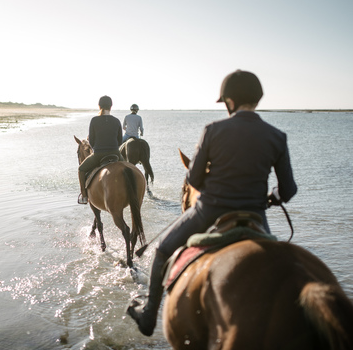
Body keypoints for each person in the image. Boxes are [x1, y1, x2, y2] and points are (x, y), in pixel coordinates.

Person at [127, 70, 297, 336]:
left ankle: (148, 316)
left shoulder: (213, 130)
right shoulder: (277, 136)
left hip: (209, 212)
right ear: (258, 99)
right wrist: (271, 197)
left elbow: (193, 179)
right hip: (255, 215)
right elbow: (288, 190)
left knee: (162, 250)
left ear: (229, 101)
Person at [78, 95, 124, 204]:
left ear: (99, 106)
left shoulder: (94, 120)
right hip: (115, 153)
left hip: (98, 154)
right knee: (130, 168)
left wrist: (98, 148)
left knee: (81, 169)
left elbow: (92, 141)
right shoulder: (116, 121)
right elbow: (120, 141)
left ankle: (84, 197)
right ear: (111, 106)